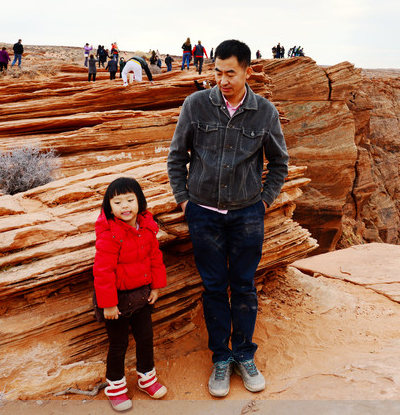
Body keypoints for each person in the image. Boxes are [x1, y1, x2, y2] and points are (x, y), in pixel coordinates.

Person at [167, 39, 289, 398]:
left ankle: (244, 355)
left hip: (247, 214)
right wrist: (184, 202)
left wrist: (264, 202)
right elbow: (177, 157)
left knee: (245, 286)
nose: (222, 80)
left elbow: (279, 163)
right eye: (217, 72)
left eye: (230, 73)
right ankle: (221, 358)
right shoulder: (196, 105)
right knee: (214, 287)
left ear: (247, 71)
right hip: (203, 213)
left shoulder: (264, 112)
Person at [93, 177, 169, 411]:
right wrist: (108, 304)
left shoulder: (146, 228)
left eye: (130, 200)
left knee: (145, 337)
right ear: (109, 207)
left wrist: (156, 286)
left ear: (140, 202)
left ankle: (147, 378)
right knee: (119, 343)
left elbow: (155, 258)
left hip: (141, 295)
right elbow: (103, 271)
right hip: (115, 300)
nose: (125, 206)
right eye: (117, 202)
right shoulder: (109, 233)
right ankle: (115, 388)